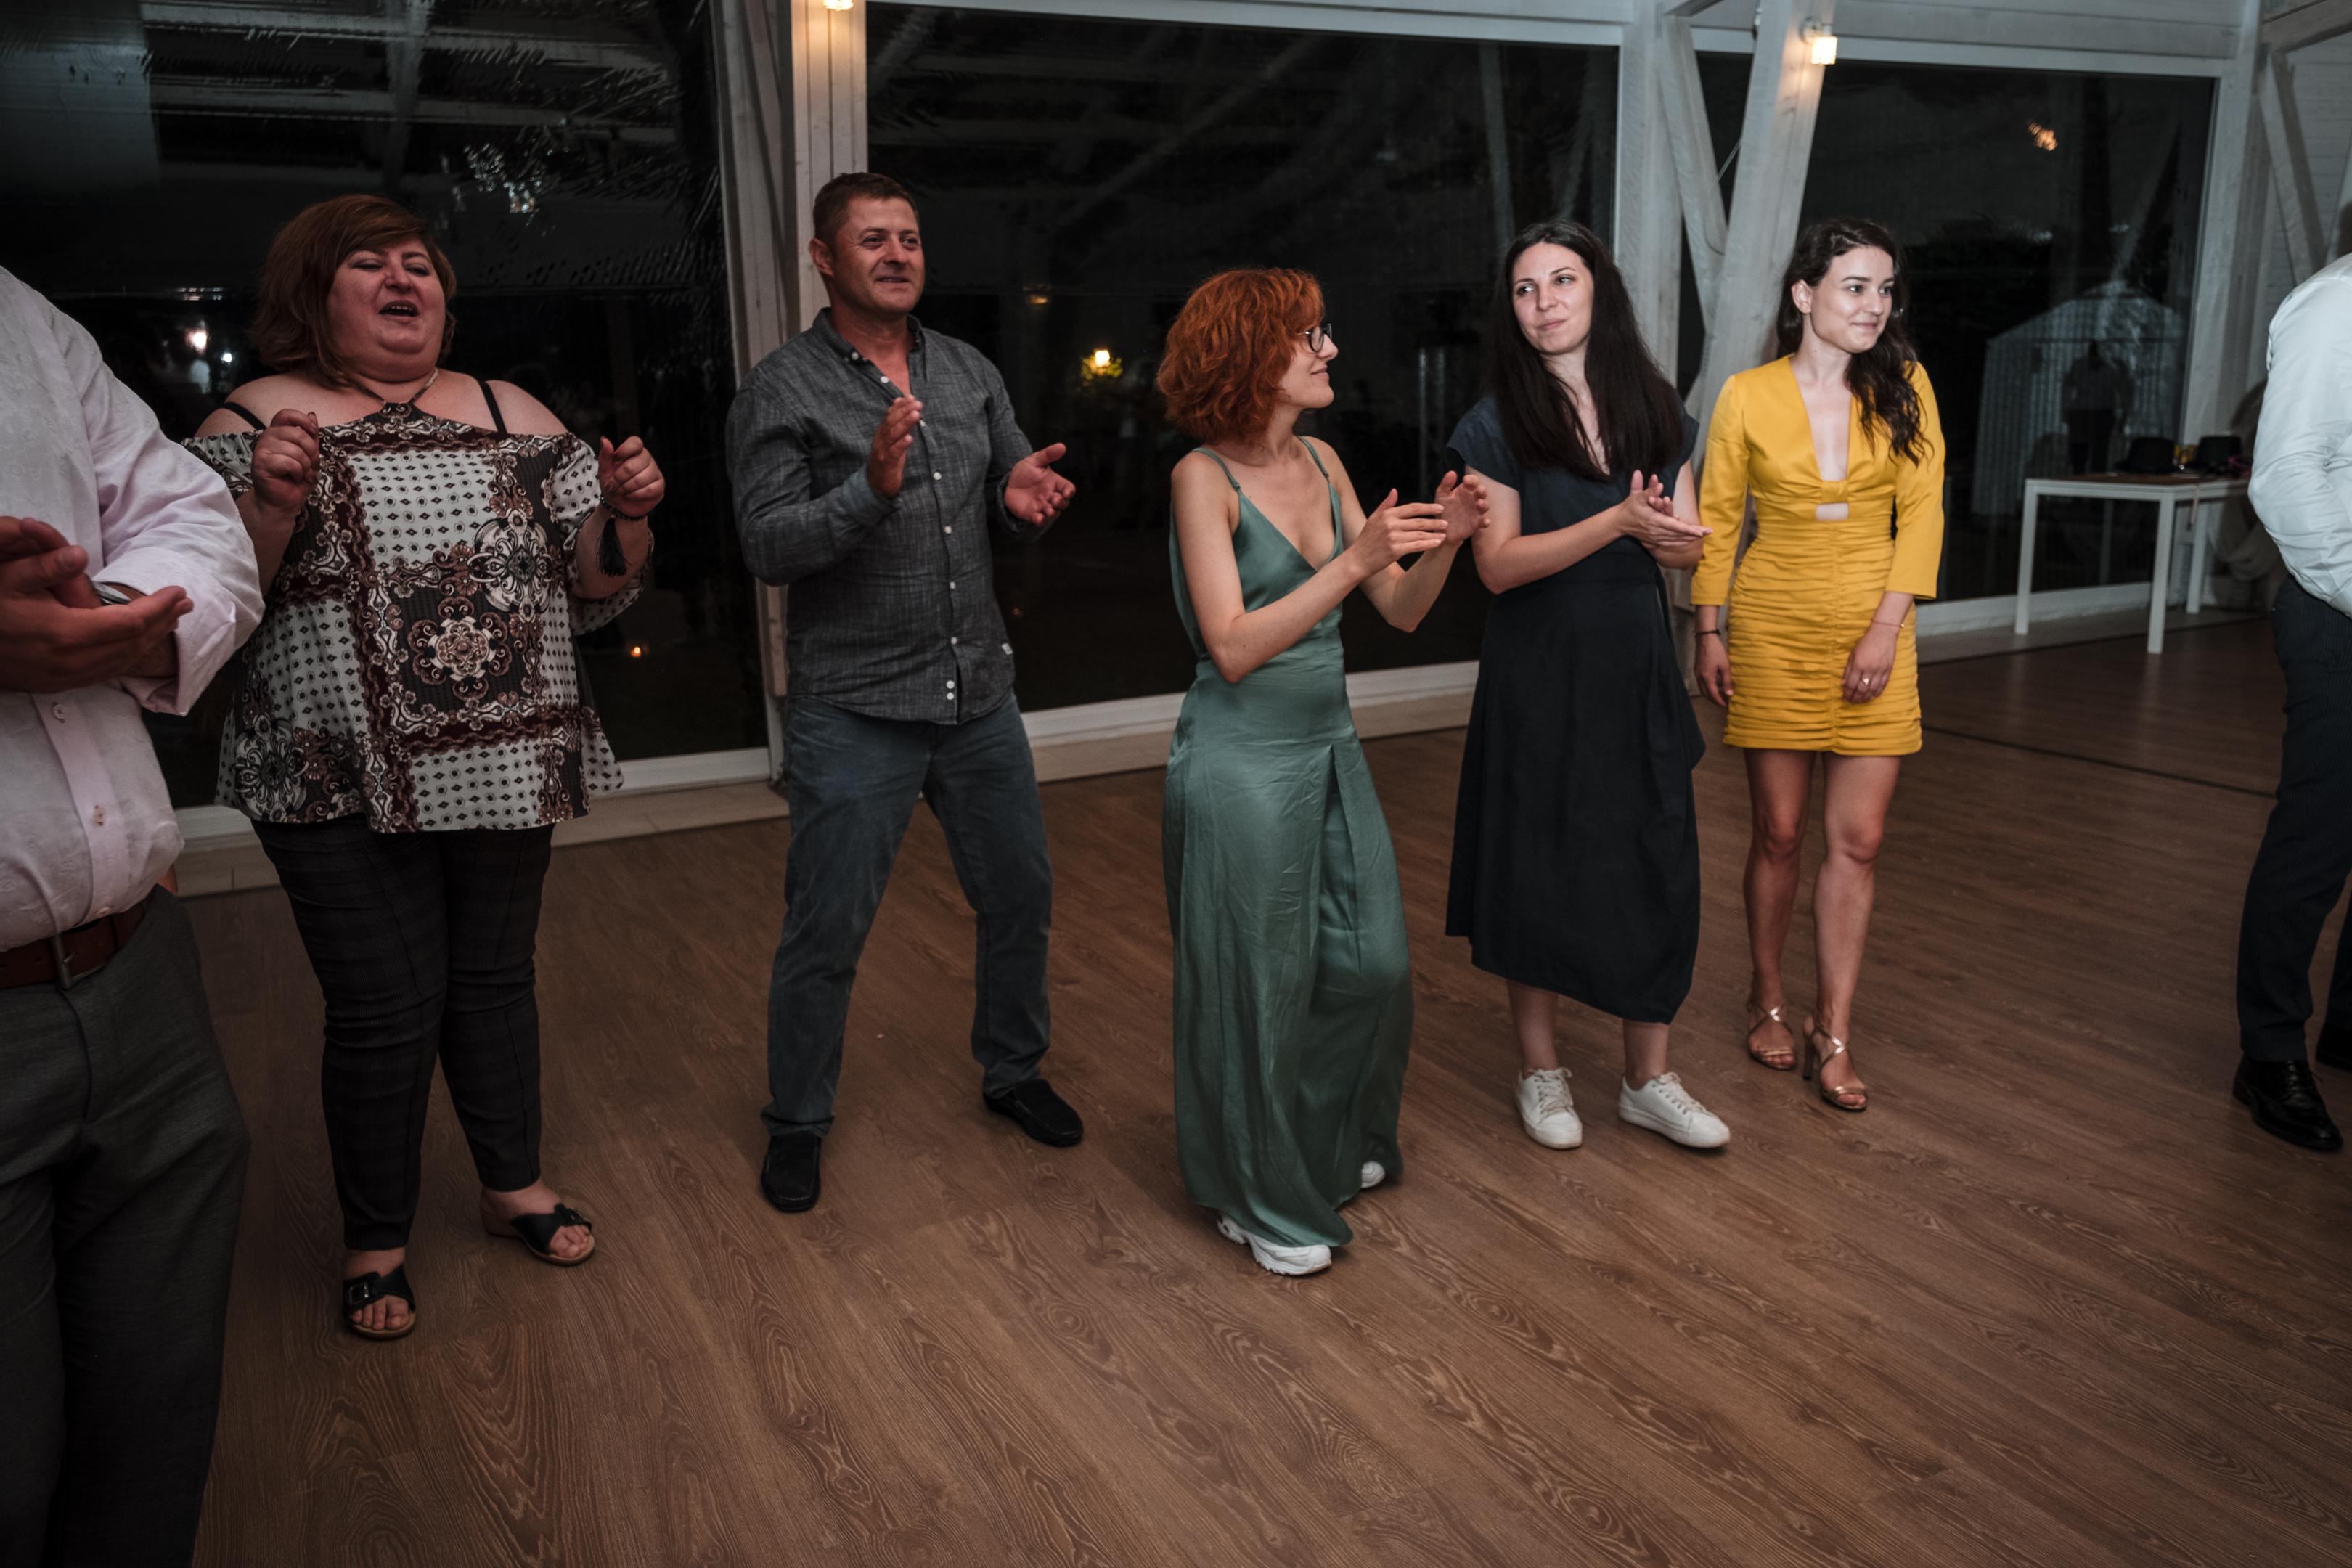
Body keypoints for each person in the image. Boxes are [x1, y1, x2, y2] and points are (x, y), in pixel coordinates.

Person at [186, 195, 661, 1339]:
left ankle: (513, 1187)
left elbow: (597, 580)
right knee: (384, 1008)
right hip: (334, 768)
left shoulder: (510, 409)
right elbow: (217, 601)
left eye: (419, 264)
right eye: (371, 264)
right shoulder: (249, 418)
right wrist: (272, 499)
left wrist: (630, 514)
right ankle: (377, 1239)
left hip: (507, 757)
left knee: (495, 981)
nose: (406, 280)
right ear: (314, 293)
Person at [727, 172, 1082, 1214]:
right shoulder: (781, 390)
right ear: (824, 258)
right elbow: (768, 547)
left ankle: (1013, 1070)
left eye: (910, 239)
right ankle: (798, 1120)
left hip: (978, 696)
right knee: (827, 929)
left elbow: (1007, 484)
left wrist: (1020, 497)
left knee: (1019, 896)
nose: (897, 255)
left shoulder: (967, 369)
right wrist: (868, 490)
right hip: (855, 708)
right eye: (872, 239)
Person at [0, 268, 264, 1563]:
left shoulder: (22, 315)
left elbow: (191, 520)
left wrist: (107, 624)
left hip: (142, 977)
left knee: (154, 1424)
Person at [1159, 267, 1485, 1278]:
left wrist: (1447, 543)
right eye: (1310, 336)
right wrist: (1355, 560)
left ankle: (1318, 1146)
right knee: (1257, 988)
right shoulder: (1201, 478)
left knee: (1371, 965)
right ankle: (1251, 1195)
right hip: (1239, 762)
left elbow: (1400, 610)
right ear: (1252, 352)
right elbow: (1232, 647)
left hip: (1329, 749)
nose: (1330, 349)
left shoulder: (1325, 458)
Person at [1445, 220, 1731, 1155]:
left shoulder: (1654, 403)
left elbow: (1685, 549)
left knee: (1655, 858)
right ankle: (1540, 1070)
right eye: (1526, 289)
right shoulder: (1495, 423)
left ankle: (1649, 1079)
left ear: (1598, 289)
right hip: (1538, 665)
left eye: (1562, 280)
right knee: (1538, 863)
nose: (1545, 303)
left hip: (1634, 661)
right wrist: (1617, 524)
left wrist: (1669, 535)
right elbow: (1498, 566)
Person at [1691, 216, 1946, 1114]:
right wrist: (1709, 629)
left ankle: (1832, 1029)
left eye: (1886, 289)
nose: (1875, 306)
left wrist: (1885, 629)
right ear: (1805, 295)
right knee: (1780, 833)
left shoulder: (1907, 386)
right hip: (1773, 628)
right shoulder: (1747, 396)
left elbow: (1923, 514)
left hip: (1878, 624)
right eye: (1855, 287)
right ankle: (1766, 996)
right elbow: (1720, 516)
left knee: (1859, 842)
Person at [2234, 248, 2352, 1152]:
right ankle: (2269, 1054)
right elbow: (2285, 479)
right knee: (2319, 836)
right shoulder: (2334, 307)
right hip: (2336, 609)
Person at [2061, 341, 2128, 474]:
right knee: (2079, 451)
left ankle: (2096, 481)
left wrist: (2123, 414)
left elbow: (2123, 391)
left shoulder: (2112, 369)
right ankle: (2078, 480)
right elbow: (2067, 387)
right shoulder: (2079, 366)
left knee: (2100, 452)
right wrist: (2066, 409)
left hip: (2103, 413)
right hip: (2081, 412)